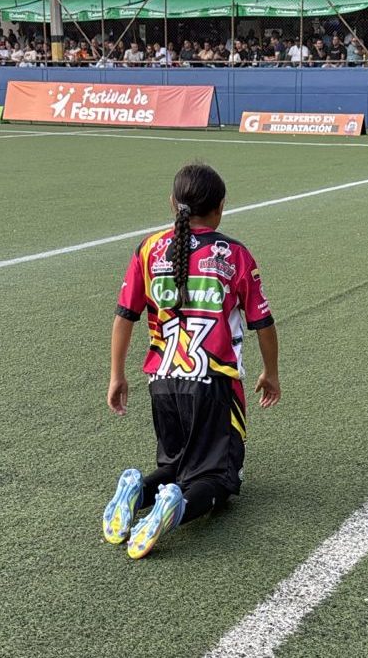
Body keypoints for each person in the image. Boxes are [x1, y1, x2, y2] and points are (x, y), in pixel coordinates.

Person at [104, 164, 281, 560]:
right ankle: (174, 508)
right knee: (221, 478)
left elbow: (124, 316)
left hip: (163, 381)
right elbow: (262, 323)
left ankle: (138, 490)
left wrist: (117, 376)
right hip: (214, 382)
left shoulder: (148, 249)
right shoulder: (233, 253)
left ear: (173, 203)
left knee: (179, 464)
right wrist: (271, 373)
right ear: (220, 208)